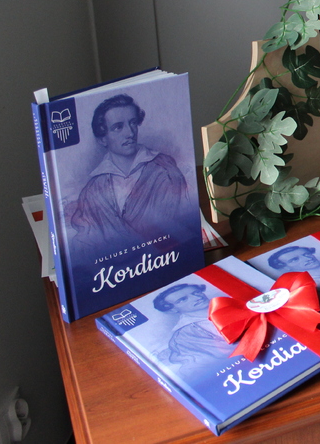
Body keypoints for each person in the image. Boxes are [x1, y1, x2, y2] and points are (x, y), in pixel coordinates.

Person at [70, 94, 193, 257]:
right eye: (118, 127)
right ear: (102, 139)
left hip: (170, 258)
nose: (130, 132)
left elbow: (185, 221)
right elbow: (84, 242)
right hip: (115, 269)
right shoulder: (93, 190)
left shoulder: (164, 169)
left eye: (133, 123)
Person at [153, 283, 234, 374]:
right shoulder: (186, 334)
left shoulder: (228, 304)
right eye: (183, 299)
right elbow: (222, 356)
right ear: (172, 309)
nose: (197, 298)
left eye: (196, 292)